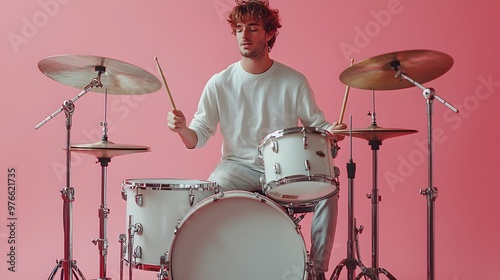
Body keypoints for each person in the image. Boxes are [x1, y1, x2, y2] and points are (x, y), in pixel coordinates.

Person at [167, 1, 345, 279]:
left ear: (270, 34)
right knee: (205, 197)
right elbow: (198, 136)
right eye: (239, 29)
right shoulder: (220, 82)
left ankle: (316, 271)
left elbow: (318, 127)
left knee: (329, 182)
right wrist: (182, 130)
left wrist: (332, 132)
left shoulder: (293, 80)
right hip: (235, 168)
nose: (244, 35)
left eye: (252, 28)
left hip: (282, 170)